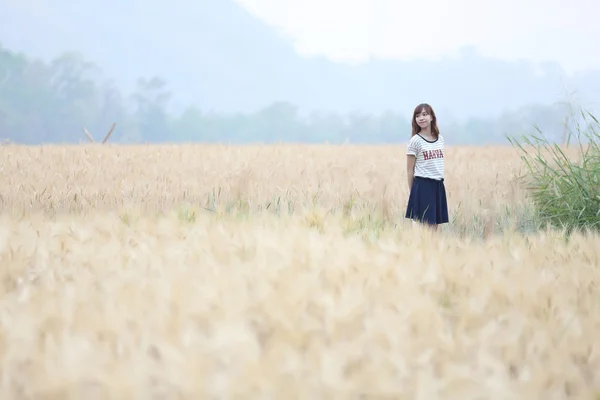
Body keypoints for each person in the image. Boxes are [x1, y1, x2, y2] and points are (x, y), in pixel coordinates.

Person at [405, 103, 449, 230]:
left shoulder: (440, 139)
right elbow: (409, 169)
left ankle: (434, 249)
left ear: (431, 117)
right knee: (425, 227)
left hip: (438, 185)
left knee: (435, 227)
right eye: (417, 116)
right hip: (423, 185)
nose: (421, 118)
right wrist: (413, 192)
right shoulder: (415, 141)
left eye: (424, 114)